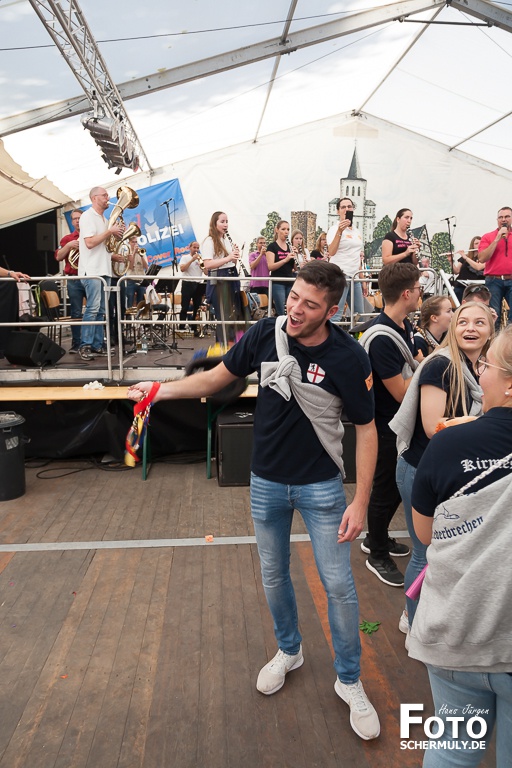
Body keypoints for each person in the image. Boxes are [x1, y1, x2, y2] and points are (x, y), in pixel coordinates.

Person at [127, 261, 381, 741]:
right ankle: (290, 651)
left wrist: (361, 501)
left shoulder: (350, 357)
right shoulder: (266, 333)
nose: (296, 309)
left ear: (332, 311)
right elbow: (214, 379)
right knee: (273, 574)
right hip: (265, 483)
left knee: (339, 587)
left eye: (310, 305)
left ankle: (349, 679)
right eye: (294, 296)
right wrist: (160, 391)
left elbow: (367, 431)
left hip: (322, 487)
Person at [408, 325, 512, 767]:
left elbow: (425, 534)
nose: (479, 372)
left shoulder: (449, 442)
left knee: (451, 751)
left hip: (455, 634)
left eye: (487, 364)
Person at [390, 302, 493, 636]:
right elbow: (434, 426)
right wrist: (485, 425)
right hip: (421, 470)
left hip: (453, 474)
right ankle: (414, 623)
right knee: (424, 553)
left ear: (490, 330)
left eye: (479, 322)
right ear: (453, 328)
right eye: (463, 322)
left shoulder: (482, 369)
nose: (470, 328)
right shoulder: (440, 365)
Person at [359, 262, 423, 586]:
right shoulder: (382, 337)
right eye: (420, 288)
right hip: (385, 426)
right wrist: (427, 370)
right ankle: (377, 553)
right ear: (407, 294)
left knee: (396, 487)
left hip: (399, 422)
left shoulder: (404, 325)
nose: (422, 293)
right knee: (385, 490)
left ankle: (377, 537)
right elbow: (400, 391)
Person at [78, 186, 125, 360]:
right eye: (104, 195)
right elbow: (90, 243)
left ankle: (97, 345)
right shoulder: (87, 216)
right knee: (93, 308)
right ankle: (85, 345)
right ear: (94, 198)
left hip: (104, 269)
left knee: (101, 310)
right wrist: (110, 231)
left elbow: (104, 246)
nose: (108, 198)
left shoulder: (105, 219)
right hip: (92, 269)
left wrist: (116, 236)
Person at [201, 211, 241, 343]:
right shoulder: (209, 241)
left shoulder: (227, 240)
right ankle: (222, 347)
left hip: (231, 276)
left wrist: (234, 256)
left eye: (227, 222)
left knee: (232, 315)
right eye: (222, 222)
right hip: (219, 280)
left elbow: (231, 263)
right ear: (214, 223)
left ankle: (230, 346)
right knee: (223, 317)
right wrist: (228, 258)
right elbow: (208, 264)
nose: (225, 224)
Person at [326, 198, 364, 321]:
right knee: (336, 315)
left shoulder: (357, 231)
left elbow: (357, 255)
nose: (347, 209)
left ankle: (358, 335)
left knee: (360, 316)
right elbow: (331, 252)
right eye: (343, 207)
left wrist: (362, 279)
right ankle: (331, 334)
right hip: (340, 275)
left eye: (349, 206)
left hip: (355, 277)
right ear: (338, 211)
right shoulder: (334, 229)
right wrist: (340, 231)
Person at [55, 209, 86, 353]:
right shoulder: (67, 238)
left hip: (90, 277)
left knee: (96, 311)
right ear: (72, 222)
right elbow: (58, 257)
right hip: (74, 279)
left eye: (80, 218)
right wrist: (69, 246)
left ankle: (91, 342)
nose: (77, 221)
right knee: (76, 312)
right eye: (74, 219)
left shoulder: (91, 236)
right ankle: (76, 343)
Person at [478, 206, 512, 329]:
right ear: (497, 220)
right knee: (493, 316)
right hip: (493, 281)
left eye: (507, 216)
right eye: (501, 217)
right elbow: (482, 258)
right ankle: (494, 340)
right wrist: (497, 238)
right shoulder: (488, 237)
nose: (504, 219)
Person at [265, 220, 295, 316]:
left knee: (292, 309)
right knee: (281, 311)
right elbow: (270, 266)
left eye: (288, 229)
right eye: (283, 229)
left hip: (290, 281)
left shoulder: (290, 247)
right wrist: (285, 259)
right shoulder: (272, 247)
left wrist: (297, 256)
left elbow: (295, 268)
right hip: (278, 282)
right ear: (277, 230)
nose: (286, 232)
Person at [179, 241, 205, 337]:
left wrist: (202, 264)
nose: (196, 249)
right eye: (194, 247)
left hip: (198, 284)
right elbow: (182, 269)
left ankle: (194, 328)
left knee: (196, 307)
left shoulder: (200, 258)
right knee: (184, 307)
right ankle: (181, 328)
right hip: (187, 283)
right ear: (190, 247)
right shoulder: (185, 257)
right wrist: (192, 260)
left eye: (197, 248)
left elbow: (206, 272)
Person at [450, 236, 484, 303]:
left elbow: (478, 267)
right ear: (472, 245)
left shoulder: (485, 257)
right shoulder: (465, 256)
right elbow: (456, 271)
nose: (479, 245)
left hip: (479, 287)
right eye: (476, 243)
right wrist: (451, 261)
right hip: (462, 286)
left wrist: (465, 257)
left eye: (481, 243)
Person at [125, 235, 148, 310]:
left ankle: (140, 317)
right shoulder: (127, 253)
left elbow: (146, 267)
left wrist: (141, 256)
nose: (135, 244)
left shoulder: (142, 252)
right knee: (130, 303)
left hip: (141, 280)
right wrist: (134, 253)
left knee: (141, 304)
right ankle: (129, 317)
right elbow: (130, 267)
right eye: (133, 242)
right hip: (131, 280)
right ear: (129, 243)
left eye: (136, 242)